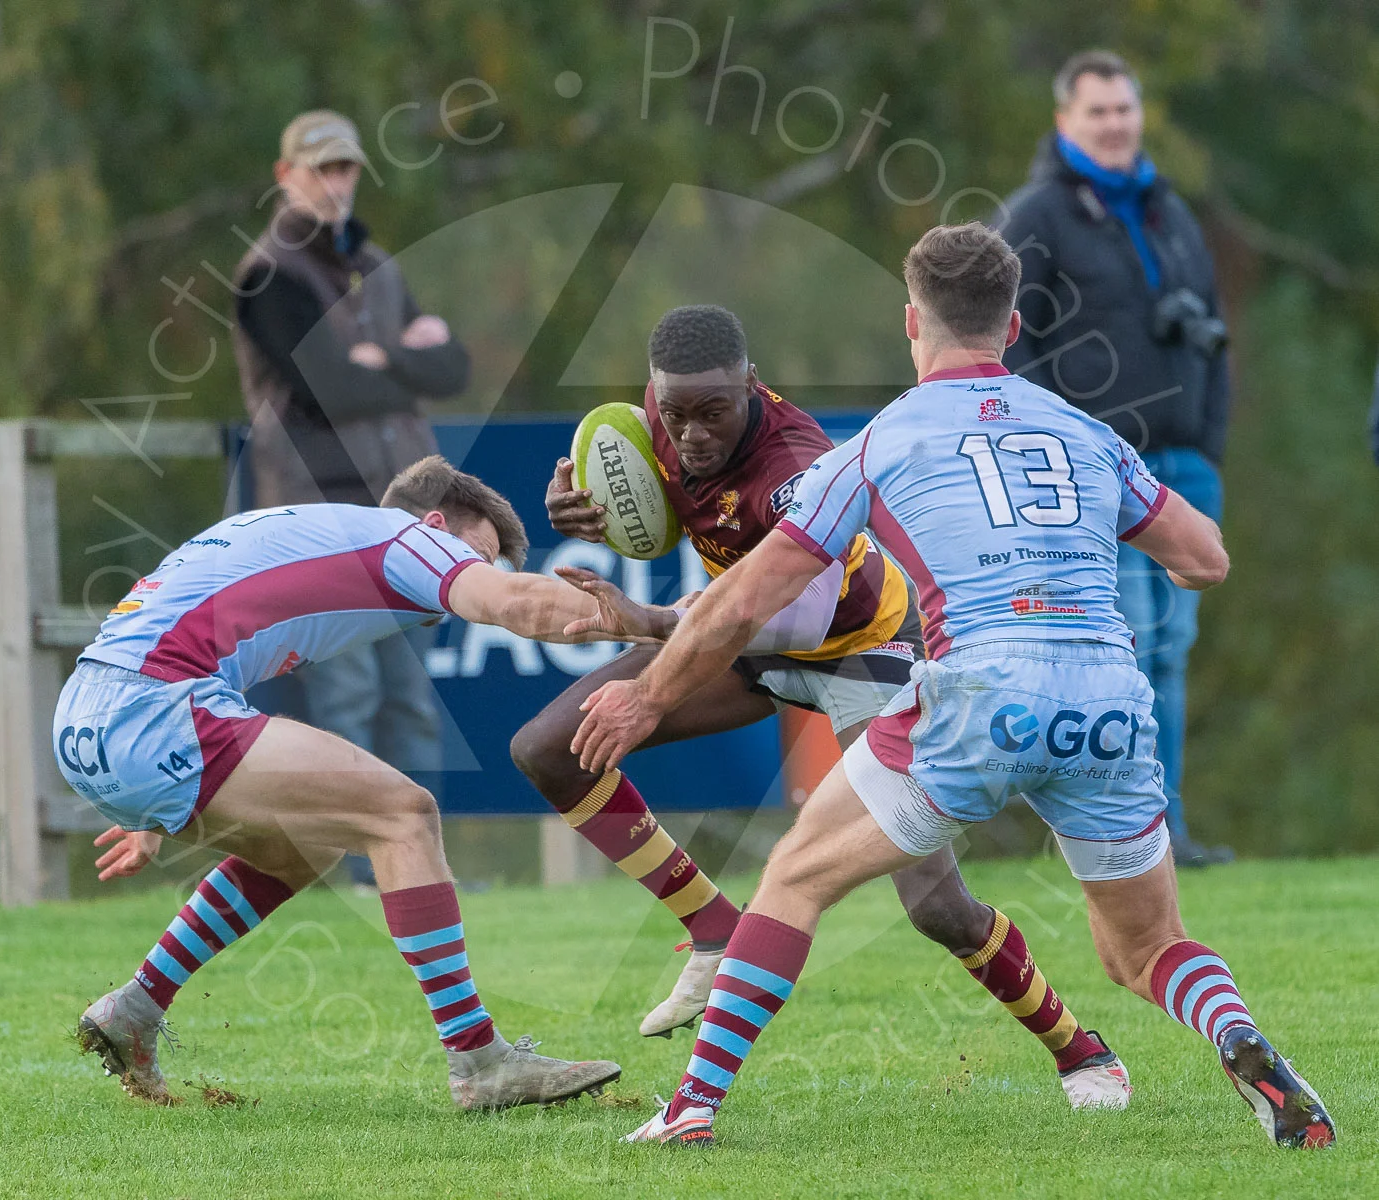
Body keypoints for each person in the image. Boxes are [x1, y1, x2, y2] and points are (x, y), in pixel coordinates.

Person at [576, 224, 1332, 1151]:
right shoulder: (1084, 433)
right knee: (1144, 950)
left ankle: (690, 1111)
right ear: (1012, 326)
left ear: (911, 322)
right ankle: (1238, 1036)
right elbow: (1206, 558)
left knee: (794, 878)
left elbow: (740, 606)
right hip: (1107, 701)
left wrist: (650, 694)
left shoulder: (882, 440)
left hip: (980, 695)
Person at [513, 304, 1131, 1110]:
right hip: (739, 634)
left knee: (936, 907)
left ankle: (1082, 1052)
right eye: (676, 415)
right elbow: (646, 479)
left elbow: (782, 619)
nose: (691, 434)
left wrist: (656, 624)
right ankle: (712, 928)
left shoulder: (797, 466)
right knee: (547, 748)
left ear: (752, 385)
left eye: (713, 413)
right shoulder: (663, 416)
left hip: (858, 646)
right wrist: (584, 504)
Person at [60, 457, 638, 1110]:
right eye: (475, 557)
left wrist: (143, 796)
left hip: (91, 714)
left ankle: (136, 1009)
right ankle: (480, 1062)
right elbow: (516, 603)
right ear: (437, 524)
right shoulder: (404, 540)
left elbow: (181, 617)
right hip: (153, 711)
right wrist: (667, 619)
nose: (470, 581)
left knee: (304, 845)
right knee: (404, 815)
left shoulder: (324, 534)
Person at [993, 53, 1233, 867]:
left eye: (1124, 110)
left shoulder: (1170, 212)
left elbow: (1214, 332)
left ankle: (1164, 827)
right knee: (1118, 650)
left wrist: (1208, 441)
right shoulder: (1035, 215)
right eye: (1097, 112)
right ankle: (1117, 830)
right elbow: (1001, 345)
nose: (1114, 125)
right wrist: (1052, 449)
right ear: (1065, 123)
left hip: (1183, 464)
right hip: (1094, 471)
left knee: (1170, 647)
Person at [232, 109, 469, 887]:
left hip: (405, 508)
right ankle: (356, 875)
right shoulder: (270, 273)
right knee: (349, 693)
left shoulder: (377, 263)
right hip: (323, 512)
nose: (336, 183)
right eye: (321, 168)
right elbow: (328, 385)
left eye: (346, 168)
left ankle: (425, 868)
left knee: (411, 694)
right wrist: (402, 359)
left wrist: (383, 356)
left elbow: (454, 369)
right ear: (285, 174)